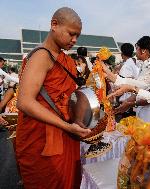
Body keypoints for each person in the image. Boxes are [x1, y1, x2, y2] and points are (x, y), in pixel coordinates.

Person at [15, 7, 91, 189]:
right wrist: (66, 126)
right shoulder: (42, 56)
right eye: (72, 34)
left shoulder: (65, 59)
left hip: (66, 134)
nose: (74, 40)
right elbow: (24, 102)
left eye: (77, 36)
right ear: (54, 25)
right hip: (43, 141)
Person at [113, 36, 150, 122]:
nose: (135, 51)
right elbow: (139, 89)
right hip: (143, 110)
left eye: (137, 48)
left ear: (143, 50)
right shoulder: (144, 65)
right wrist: (128, 102)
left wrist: (130, 103)